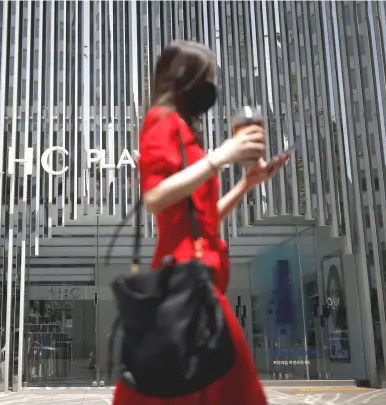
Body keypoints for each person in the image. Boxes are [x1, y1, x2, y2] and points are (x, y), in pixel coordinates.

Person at [112, 40, 288, 405]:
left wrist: (246, 184)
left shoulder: (184, 132)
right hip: (187, 281)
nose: (212, 88)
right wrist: (222, 156)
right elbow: (154, 197)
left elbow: (203, 221)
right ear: (185, 79)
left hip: (201, 281)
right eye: (207, 78)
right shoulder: (161, 122)